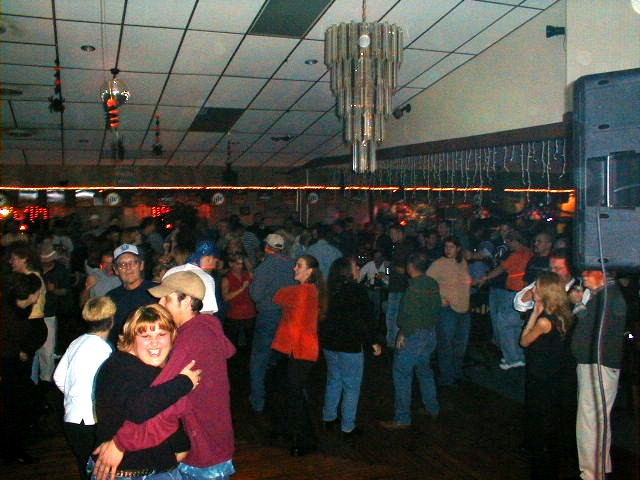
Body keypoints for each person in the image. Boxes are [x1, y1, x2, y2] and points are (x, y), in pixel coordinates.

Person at [93, 271, 236, 480]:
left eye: (166, 298)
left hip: (203, 454)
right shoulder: (206, 326)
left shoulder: (190, 341)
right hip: (213, 445)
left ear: (186, 301)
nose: (160, 302)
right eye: (146, 335)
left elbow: (162, 406)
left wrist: (119, 444)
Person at [91, 303, 201, 480]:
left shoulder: (151, 368)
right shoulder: (121, 367)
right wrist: (184, 382)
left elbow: (165, 415)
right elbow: (138, 409)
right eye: (145, 336)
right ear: (131, 339)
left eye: (161, 334)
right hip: (125, 473)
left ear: (172, 337)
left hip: (149, 468)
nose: (155, 342)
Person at [569, 270, 627, 480]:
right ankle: (601, 467)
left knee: (589, 423)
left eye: (589, 271)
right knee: (597, 421)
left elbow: (596, 331)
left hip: (598, 367)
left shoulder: (609, 296)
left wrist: (578, 304)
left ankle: (591, 474)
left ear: (604, 273)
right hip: (596, 366)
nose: (583, 275)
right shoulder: (605, 295)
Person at [53, 297, 116, 480]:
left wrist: (75, 395)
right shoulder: (105, 350)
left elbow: (58, 376)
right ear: (111, 320)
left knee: (84, 467)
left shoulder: (76, 342)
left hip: (71, 417)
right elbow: (107, 389)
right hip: (91, 420)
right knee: (99, 470)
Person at [519, 272, 574, 480]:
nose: (533, 291)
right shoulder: (565, 315)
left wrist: (534, 314)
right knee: (551, 422)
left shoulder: (544, 322)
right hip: (555, 375)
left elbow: (524, 341)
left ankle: (542, 470)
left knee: (540, 422)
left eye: (536, 288)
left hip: (540, 375)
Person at [321, 257, 382, 437]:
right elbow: (365, 320)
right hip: (348, 344)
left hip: (330, 343)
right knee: (351, 385)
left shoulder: (329, 290)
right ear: (348, 271)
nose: (358, 268)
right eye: (355, 266)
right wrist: (373, 342)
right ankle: (348, 426)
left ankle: (329, 418)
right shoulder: (356, 291)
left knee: (334, 379)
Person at [270, 254, 324, 456]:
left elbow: (277, 296)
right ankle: (291, 432)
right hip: (297, 349)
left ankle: (306, 440)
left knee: (294, 395)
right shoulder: (309, 290)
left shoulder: (304, 291)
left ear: (310, 271)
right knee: (290, 392)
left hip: (300, 350)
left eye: (299, 266)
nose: (294, 268)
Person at [380, 252, 441, 430]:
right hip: (430, 333)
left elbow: (409, 314)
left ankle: (402, 418)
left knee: (401, 373)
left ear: (410, 267)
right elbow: (436, 307)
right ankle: (433, 408)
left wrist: (403, 333)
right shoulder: (432, 283)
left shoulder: (414, 287)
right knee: (424, 371)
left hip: (415, 335)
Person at [0, 272, 47, 465]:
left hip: (12, 364)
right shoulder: (10, 317)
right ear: (31, 295)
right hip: (7, 368)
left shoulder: (16, 310)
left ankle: (14, 447)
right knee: (14, 409)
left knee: (19, 407)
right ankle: (13, 451)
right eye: (37, 292)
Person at [249, 233, 295, 414]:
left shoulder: (264, 267)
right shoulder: (292, 264)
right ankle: (288, 399)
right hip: (288, 316)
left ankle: (258, 401)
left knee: (259, 360)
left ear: (266, 246)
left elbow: (256, 295)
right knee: (286, 357)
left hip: (268, 316)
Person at [479, 231, 533, 369]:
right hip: (523, 292)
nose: (507, 246)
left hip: (514, 293)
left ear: (514, 240)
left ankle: (512, 358)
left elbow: (501, 269)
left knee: (503, 324)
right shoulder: (529, 252)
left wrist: (485, 277)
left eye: (508, 242)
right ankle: (519, 356)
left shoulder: (517, 254)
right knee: (515, 326)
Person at [427, 236, 472, 386]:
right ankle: (446, 377)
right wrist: (439, 299)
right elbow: (427, 283)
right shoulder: (439, 264)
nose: (448, 250)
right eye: (446, 246)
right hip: (447, 309)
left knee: (460, 345)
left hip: (463, 309)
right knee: (446, 344)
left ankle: (456, 373)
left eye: (451, 247)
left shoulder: (462, 263)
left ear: (458, 248)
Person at [106, 244, 157, 345]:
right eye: (122, 265)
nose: (128, 268)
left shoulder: (157, 291)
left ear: (141, 265)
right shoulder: (111, 297)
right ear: (116, 270)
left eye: (133, 263)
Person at [163, 240, 219, 315]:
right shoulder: (206, 279)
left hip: (168, 322)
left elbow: (162, 303)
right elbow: (207, 313)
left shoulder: (171, 271)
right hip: (191, 324)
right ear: (210, 259)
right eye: (215, 260)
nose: (216, 263)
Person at [385, 225, 415, 348]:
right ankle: (392, 342)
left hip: (400, 287)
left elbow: (402, 270)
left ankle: (394, 343)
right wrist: (387, 271)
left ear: (400, 233)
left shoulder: (404, 247)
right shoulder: (396, 247)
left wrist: (389, 266)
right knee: (392, 315)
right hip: (395, 286)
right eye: (390, 233)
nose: (391, 236)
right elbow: (391, 270)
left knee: (395, 316)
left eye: (393, 233)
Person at [221, 254, 256, 349]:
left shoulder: (247, 274)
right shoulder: (226, 278)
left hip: (250, 313)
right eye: (237, 264)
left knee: (249, 344)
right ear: (231, 264)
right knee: (232, 344)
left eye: (241, 264)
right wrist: (242, 288)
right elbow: (225, 297)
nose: (240, 266)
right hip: (234, 314)